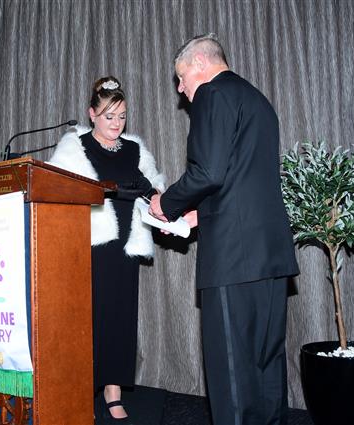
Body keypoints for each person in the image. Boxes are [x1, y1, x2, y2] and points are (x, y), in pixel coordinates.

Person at [149, 34, 299, 425]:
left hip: (234, 257)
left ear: (200, 63)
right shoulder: (256, 100)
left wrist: (166, 203)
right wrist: (197, 216)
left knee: (232, 370)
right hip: (269, 252)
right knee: (266, 363)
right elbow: (242, 178)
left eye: (181, 77)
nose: (180, 89)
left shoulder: (212, 94)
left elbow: (209, 172)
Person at [49, 76, 164, 423]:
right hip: (88, 246)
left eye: (122, 116)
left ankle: (114, 393)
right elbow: (57, 191)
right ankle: (81, 391)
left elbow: (153, 189)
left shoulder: (134, 149)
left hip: (125, 246)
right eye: (109, 116)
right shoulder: (76, 147)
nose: (116, 124)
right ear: (92, 114)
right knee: (87, 321)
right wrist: (106, 190)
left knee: (119, 319)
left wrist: (155, 197)